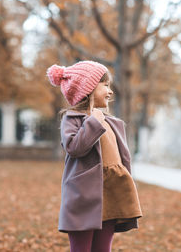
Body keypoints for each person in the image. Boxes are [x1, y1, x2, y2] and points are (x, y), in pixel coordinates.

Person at [46, 61, 142, 252]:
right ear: (87, 88)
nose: (110, 91)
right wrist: (93, 121)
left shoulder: (111, 123)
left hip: (110, 195)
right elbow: (75, 147)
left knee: (103, 248)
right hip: (83, 198)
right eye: (105, 85)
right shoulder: (73, 120)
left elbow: (122, 160)